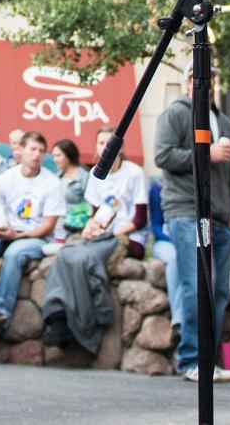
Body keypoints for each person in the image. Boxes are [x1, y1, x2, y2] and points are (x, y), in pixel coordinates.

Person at [158, 62, 230, 383]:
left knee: (219, 290)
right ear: (187, 83)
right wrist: (206, 152)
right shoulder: (176, 114)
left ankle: (209, 360)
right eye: (195, 78)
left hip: (219, 214)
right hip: (186, 210)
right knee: (194, 285)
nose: (203, 84)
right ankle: (191, 358)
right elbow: (163, 156)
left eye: (208, 79)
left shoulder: (224, 121)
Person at [39, 127, 149, 357]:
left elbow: (139, 219)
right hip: (102, 233)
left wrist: (111, 232)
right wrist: (91, 227)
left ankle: (86, 322)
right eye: (100, 143)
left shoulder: (135, 173)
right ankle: (58, 314)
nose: (104, 147)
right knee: (66, 252)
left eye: (108, 142)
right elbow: (96, 212)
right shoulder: (96, 174)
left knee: (85, 259)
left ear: (120, 147)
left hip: (128, 236)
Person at [0, 132, 65, 330]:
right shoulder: (6, 179)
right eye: (32, 149)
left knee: (14, 254)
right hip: (5, 232)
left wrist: (18, 236)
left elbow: (48, 226)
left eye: (41, 151)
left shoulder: (52, 183)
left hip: (35, 237)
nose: (37, 155)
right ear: (21, 150)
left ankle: (1, 316)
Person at [49, 138, 90, 244]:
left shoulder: (84, 177)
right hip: (55, 231)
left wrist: (71, 211)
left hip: (76, 231)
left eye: (58, 155)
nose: (55, 159)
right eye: (53, 156)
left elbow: (90, 206)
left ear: (68, 155)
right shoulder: (55, 177)